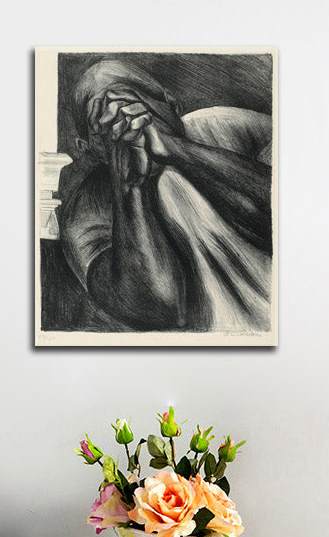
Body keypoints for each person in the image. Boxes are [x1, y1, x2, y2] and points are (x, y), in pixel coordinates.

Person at [57, 59, 273, 333]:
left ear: (171, 103)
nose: (126, 126)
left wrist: (174, 148)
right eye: (105, 124)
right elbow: (159, 308)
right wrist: (129, 186)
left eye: (135, 102)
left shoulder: (235, 128)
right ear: (87, 149)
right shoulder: (84, 214)